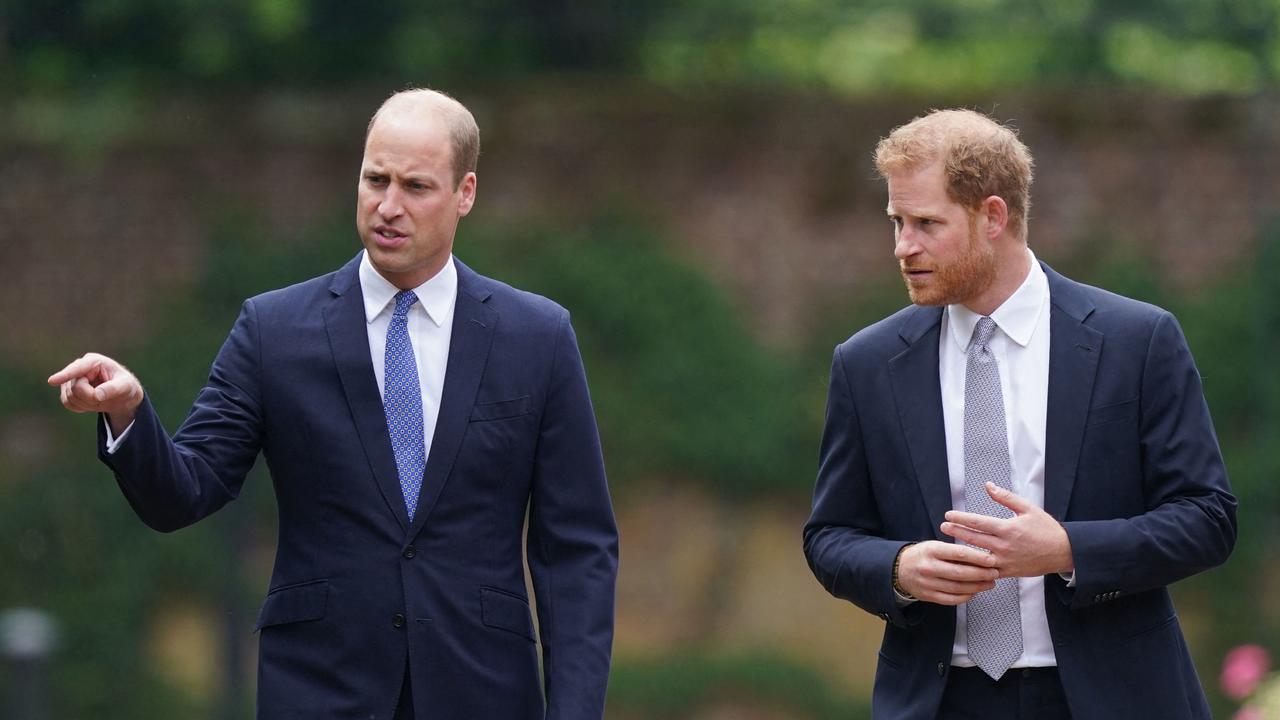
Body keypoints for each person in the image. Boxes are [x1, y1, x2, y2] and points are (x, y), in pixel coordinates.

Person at [48, 88, 618, 720]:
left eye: (416, 187)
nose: (388, 206)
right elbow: (183, 491)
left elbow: (577, 551)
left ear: (466, 194)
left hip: (482, 692)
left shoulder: (537, 337)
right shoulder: (273, 330)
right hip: (319, 692)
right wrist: (129, 415)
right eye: (376, 179)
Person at [803, 109, 1236, 720]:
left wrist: (1066, 549)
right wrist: (898, 567)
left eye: (927, 223)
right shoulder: (867, 362)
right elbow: (829, 537)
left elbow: (1208, 519)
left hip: (1112, 697)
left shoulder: (1137, 340)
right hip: (936, 700)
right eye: (897, 222)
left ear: (993, 217)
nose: (904, 246)